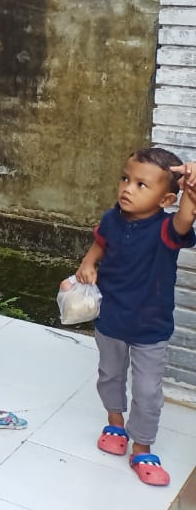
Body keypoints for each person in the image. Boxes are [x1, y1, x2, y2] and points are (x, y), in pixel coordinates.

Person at [76, 146, 196, 488]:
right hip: (111, 317)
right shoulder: (114, 217)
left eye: (142, 185)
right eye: (126, 179)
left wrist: (192, 188)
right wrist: (88, 262)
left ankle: (142, 447)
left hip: (150, 327)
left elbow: (187, 217)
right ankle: (115, 423)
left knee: (147, 390)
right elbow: (102, 240)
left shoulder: (167, 229)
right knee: (110, 375)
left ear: (166, 199)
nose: (128, 188)